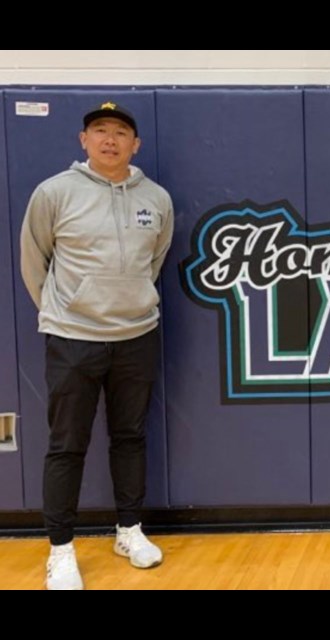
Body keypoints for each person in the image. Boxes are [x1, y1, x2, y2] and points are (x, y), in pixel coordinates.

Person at [21, 101, 174, 590]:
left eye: (121, 132)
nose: (110, 139)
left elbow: (155, 263)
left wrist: (130, 302)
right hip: (72, 341)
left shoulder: (157, 198)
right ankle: (60, 550)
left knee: (130, 437)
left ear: (136, 145)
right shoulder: (54, 193)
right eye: (100, 131)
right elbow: (34, 260)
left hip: (136, 337)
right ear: (83, 140)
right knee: (67, 445)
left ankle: (129, 530)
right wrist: (65, 313)